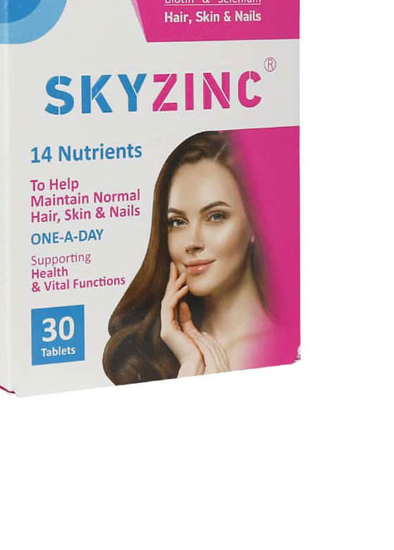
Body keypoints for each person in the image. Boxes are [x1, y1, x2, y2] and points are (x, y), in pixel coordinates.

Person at [103, 131, 274, 383]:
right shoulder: (143, 354)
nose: (192, 242)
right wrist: (189, 370)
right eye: (178, 222)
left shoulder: (292, 348)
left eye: (216, 216)